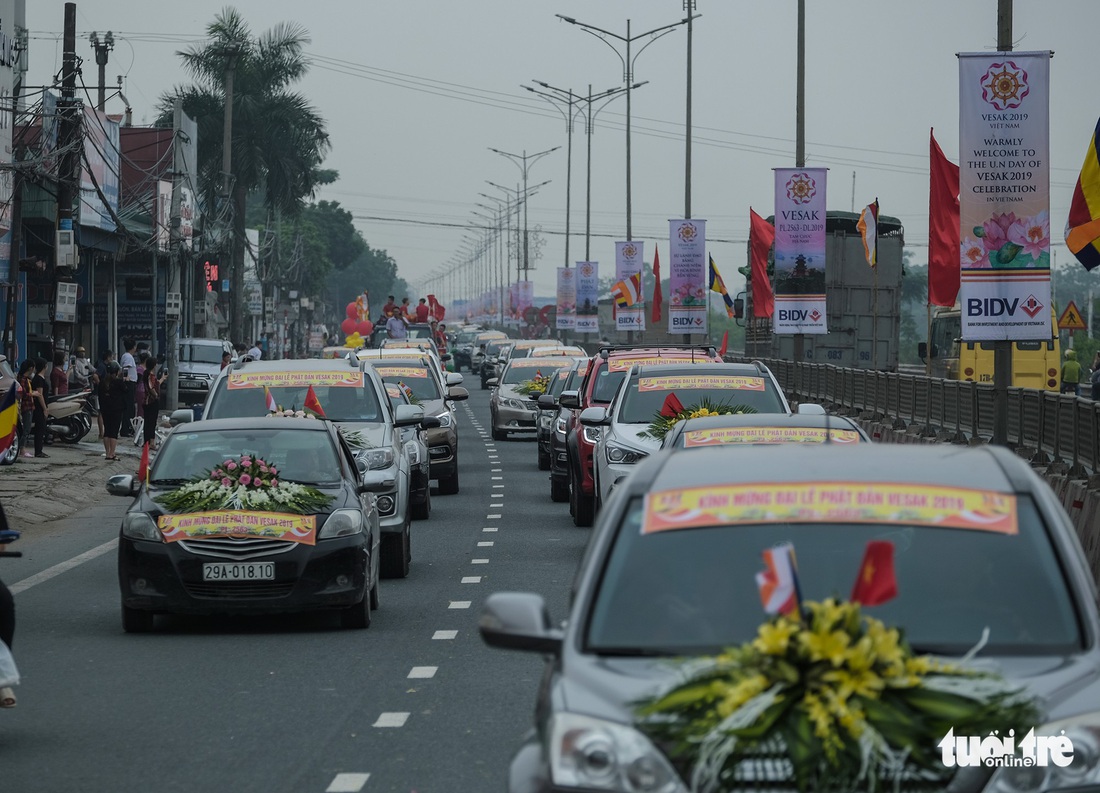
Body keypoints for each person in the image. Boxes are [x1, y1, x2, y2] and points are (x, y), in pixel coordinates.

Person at [99, 361, 125, 461]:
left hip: (105, 409)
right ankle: (112, 453)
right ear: (117, 372)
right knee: (114, 432)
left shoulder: (102, 382)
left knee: (107, 431)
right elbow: (126, 391)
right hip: (116, 410)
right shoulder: (118, 382)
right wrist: (125, 380)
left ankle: (107, 453)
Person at [142, 361, 167, 449]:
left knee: (148, 422)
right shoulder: (150, 376)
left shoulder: (149, 375)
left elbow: (155, 384)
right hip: (151, 401)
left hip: (147, 402)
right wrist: (155, 395)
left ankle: (148, 442)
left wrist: (163, 379)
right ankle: (150, 442)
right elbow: (151, 387)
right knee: (151, 422)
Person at [119, 338, 137, 436]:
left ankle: (128, 428)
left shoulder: (127, 356)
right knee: (128, 407)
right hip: (129, 383)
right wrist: (126, 378)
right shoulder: (128, 357)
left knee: (130, 407)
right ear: (134, 347)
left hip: (130, 383)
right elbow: (125, 368)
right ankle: (125, 429)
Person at [30, 358, 49, 458]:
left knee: (41, 428)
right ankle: (38, 451)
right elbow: (39, 395)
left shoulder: (40, 378)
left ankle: (39, 449)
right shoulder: (39, 379)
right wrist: (45, 408)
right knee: (40, 428)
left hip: (40, 406)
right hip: (38, 407)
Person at [16, 361, 34, 459]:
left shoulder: (25, 379)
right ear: (30, 368)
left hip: (29, 405)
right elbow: (22, 393)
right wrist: (32, 394)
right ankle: (22, 449)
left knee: (26, 428)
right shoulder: (23, 379)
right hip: (26, 406)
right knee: (26, 428)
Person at [95, 351, 113, 439]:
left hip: (106, 391)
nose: (112, 359)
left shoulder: (108, 367)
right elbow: (95, 376)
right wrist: (101, 384)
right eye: (112, 357)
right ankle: (101, 433)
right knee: (102, 412)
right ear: (108, 357)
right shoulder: (102, 366)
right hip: (103, 392)